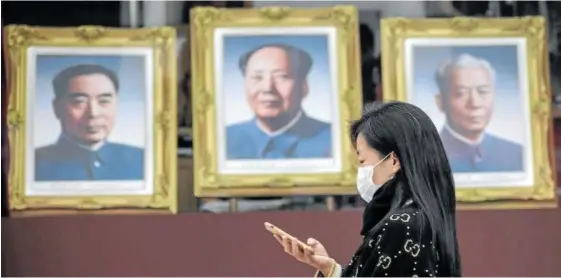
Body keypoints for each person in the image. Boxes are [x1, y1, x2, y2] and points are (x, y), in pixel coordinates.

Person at [270, 101, 462, 277]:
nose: (361, 171)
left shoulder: (402, 226)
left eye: (362, 161)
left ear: (393, 161)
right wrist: (329, 268)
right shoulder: (422, 218)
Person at [35, 64, 144, 181]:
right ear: (56, 108)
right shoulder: (32, 164)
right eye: (79, 102)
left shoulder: (142, 160)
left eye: (104, 101)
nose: (93, 113)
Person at [226, 43, 332, 159]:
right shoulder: (223, 139)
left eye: (282, 76)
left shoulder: (335, 140)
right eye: (257, 77)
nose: (267, 88)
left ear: (304, 87)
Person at [434, 53, 523, 172]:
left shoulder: (516, 154)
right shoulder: (422, 155)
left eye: (483, 91)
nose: (475, 103)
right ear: (441, 102)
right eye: (461, 93)